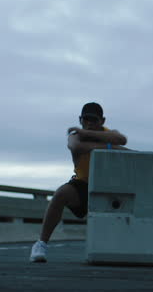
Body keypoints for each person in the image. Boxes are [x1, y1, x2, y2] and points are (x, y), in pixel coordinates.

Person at [30, 102, 128, 262]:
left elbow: (121, 139)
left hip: (110, 186)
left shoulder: (109, 133)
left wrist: (96, 139)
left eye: (93, 120)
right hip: (83, 184)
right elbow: (76, 147)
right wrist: (110, 147)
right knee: (60, 194)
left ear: (102, 121)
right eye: (85, 119)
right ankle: (41, 244)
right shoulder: (75, 136)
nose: (89, 123)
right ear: (80, 119)